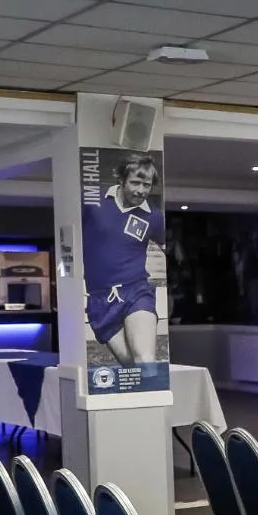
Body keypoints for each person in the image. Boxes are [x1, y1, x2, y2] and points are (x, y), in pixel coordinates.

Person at [85, 152, 163, 366]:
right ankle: (143, 399)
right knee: (130, 366)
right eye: (135, 183)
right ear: (121, 180)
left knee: (145, 361)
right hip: (100, 298)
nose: (140, 190)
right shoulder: (93, 201)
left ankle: (156, 401)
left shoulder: (153, 217)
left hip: (135, 291)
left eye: (146, 185)